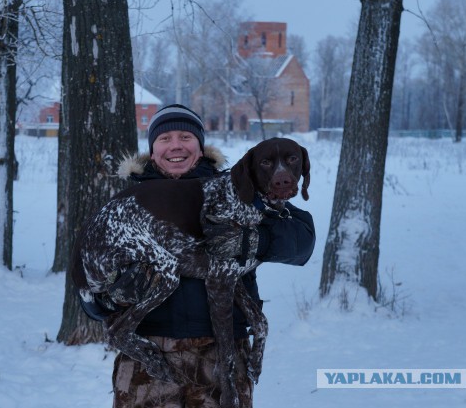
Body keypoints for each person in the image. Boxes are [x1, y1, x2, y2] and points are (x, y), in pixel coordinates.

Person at [82, 104, 315, 408]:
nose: (176, 145)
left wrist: (255, 240)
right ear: (152, 151)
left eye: (185, 137)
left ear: (201, 147)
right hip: (148, 358)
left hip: (222, 351)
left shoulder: (241, 189)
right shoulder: (128, 205)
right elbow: (88, 282)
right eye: (164, 139)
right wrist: (108, 300)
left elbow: (302, 242)